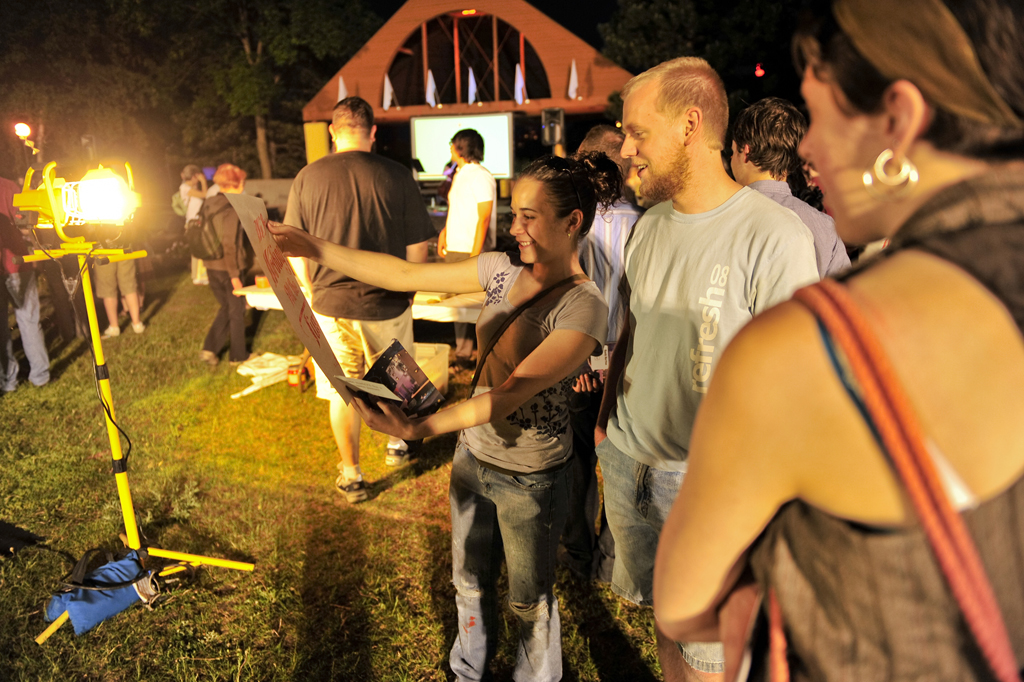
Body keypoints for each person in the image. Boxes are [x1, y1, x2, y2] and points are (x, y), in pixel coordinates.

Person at [653, 0, 1024, 678]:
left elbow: (684, 602)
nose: (808, 150)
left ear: (898, 121)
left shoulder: (810, 347)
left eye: (820, 117)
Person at [270, 152, 619, 682]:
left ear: (572, 222)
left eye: (529, 216)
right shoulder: (501, 269)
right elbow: (403, 272)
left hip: (532, 478)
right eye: (514, 213)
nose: (514, 227)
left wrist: (418, 428)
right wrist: (313, 246)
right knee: (469, 582)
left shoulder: (584, 307)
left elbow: (509, 394)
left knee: (530, 601)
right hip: (473, 457)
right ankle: (467, 669)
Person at [596, 57, 819, 680]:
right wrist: (608, 429)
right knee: (667, 623)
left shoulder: (775, 236)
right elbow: (631, 333)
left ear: (690, 125)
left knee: (712, 657)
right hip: (629, 463)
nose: (625, 150)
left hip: (710, 489)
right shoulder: (649, 227)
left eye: (637, 133)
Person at [282, 96, 434, 501]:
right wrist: (409, 290)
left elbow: (295, 247)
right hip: (389, 299)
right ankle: (399, 445)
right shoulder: (398, 175)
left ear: (333, 132)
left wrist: (311, 289)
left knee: (342, 390)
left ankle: (352, 475)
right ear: (373, 132)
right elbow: (418, 246)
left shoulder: (308, 177)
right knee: (395, 382)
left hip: (331, 304)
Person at [561, 124, 642, 581]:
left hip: (579, 356)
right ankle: (610, 560)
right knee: (619, 460)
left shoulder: (571, 222)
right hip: (627, 363)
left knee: (576, 461)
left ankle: (577, 554)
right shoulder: (645, 222)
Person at [730, 97, 850, 277]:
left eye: (733, 152)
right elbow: (844, 288)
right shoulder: (825, 227)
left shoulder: (725, 215)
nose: (731, 159)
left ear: (746, 152)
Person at [437, 128, 497, 367]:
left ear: (461, 147)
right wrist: (445, 233)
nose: (450, 148)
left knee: (477, 305)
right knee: (458, 306)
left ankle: (485, 357)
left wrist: (476, 255)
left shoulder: (481, 175)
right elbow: (458, 210)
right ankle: (463, 355)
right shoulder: (460, 174)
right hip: (455, 247)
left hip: (472, 250)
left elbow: (484, 216)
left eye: (453, 144)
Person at [198, 163, 251, 367]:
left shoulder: (210, 202)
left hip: (211, 264)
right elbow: (230, 243)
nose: (244, 185)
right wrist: (235, 275)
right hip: (229, 267)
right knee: (237, 310)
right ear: (236, 184)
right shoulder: (232, 207)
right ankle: (238, 356)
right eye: (242, 182)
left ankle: (209, 348)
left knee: (227, 307)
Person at [0, 177, 50, 392]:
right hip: (18, 264)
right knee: (28, 320)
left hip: (13, 264)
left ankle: (8, 380)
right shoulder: (8, 186)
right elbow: (27, 224)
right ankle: (40, 376)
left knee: (2, 328)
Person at [180, 164, 212, 285]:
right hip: (193, 222)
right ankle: (198, 276)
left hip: (196, 221)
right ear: (194, 176)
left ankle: (201, 275)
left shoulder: (190, 187)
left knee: (200, 247)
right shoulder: (185, 188)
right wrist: (203, 182)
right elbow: (205, 195)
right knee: (197, 248)